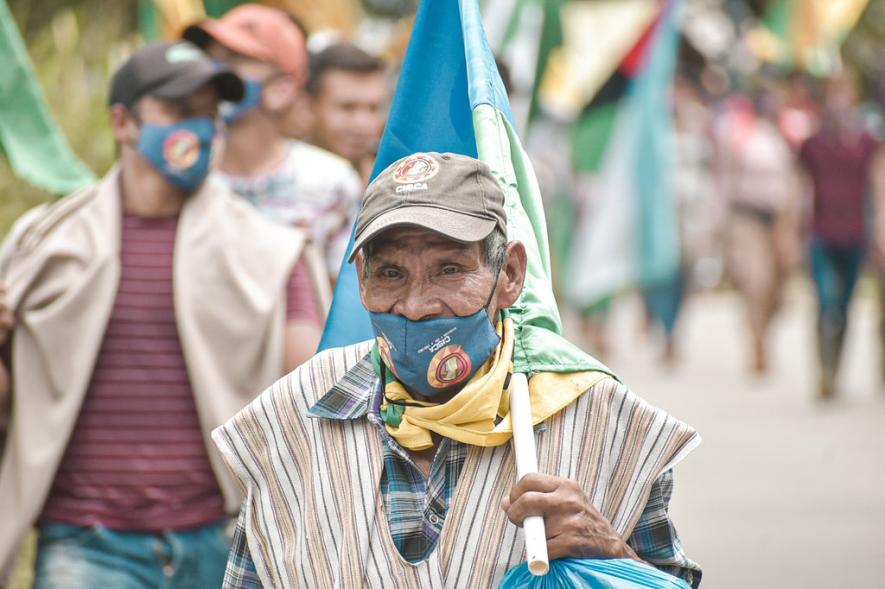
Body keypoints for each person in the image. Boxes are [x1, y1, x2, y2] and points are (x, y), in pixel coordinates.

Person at [214, 152, 703, 587]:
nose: (416, 305)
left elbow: (666, 580)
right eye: (390, 274)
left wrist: (611, 552)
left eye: (449, 269)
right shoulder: (290, 416)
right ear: (361, 280)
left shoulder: (605, 421)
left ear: (510, 275)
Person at [0, 41, 326, 587]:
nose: (199, 130)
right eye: (178, 111)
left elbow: (309, 396)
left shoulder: (270, 253)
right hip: (87, 543)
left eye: (208, 113)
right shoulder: (44, 246)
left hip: (226, 541)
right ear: (123, 123)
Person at [183, 4, 363, 284]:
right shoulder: (183, 172)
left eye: (234, 59)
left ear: (282, 89)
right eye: (211, 57)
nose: (213, 72)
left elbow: (342, 300)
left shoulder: (331, 183)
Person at [798, 71, 884, 399]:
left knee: (845, 306)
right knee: (825, 299)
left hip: (855, 233)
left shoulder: (866, 143)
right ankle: (824, 371)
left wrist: (879, 230)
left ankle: (836, 368)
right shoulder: (813, 144)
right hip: (820, 232)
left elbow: (877, 186)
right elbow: (801, 187)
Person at [716, 92, 800, 375]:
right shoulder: (740, 137)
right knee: (756, 280)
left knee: (781, 282)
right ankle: (757, 340)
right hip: (746, 217)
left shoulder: (786, 136)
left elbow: (795, 180)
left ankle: (766, 330)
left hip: (779, 219)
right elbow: (725, 179)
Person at [306, 41, 390, 185]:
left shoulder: (394, 182)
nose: (363, 123)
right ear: (309, 106)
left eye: (374, 108)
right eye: (347, 107)